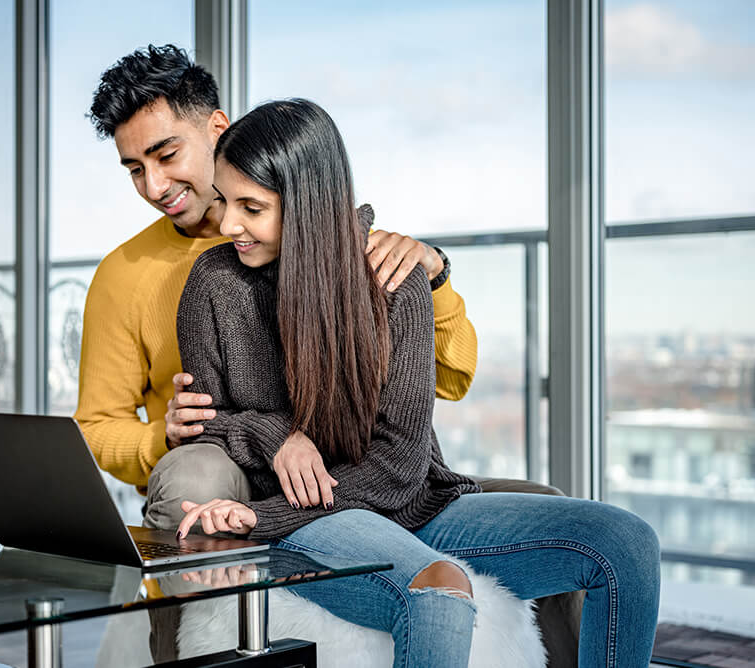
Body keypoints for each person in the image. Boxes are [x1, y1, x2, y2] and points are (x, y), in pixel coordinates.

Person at [174, 99, 661, 668]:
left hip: (416, 507)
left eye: (250, 207)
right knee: (437, 589)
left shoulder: (395, 280)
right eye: (224, 201)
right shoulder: (213, 282)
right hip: (320, 524)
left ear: (308, 209)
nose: (228, 223)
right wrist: (276, 435)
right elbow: (205, 419)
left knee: (628, 545)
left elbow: (398, 467)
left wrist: (265, 517)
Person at [75, 44, 476, 529]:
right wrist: (166, 435)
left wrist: (433, 278)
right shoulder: (127, 274)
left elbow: (452, 381)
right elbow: (96, 424)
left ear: (218, 130)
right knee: (196, 475)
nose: (155, 186)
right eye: (135, 169)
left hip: (350, 474)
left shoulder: (341, 256)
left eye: (167, 155)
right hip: (229, 467)